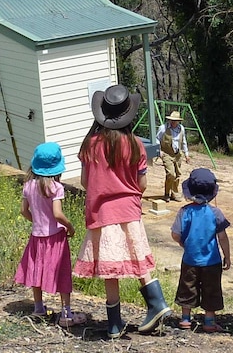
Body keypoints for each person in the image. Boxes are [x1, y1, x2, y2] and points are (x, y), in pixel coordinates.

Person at [73, 84, 172, 338]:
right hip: (130, 210)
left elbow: (85, 182)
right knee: (138, 260)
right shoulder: (136, 144)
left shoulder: (91, 144)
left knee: (110, 269)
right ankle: (157, 303)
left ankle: (115, 325)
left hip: (102, 213)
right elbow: (142, 185)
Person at [14, 142, 87, 328]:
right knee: (62, 274)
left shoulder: (28, 185)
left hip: (36, 237)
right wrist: (70, 227)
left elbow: (23, 211)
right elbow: (57, 214)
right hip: (55, 237)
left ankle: (38, 308)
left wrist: (37, 221)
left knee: (36, 270)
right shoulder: (56, 187)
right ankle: (66, 314)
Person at [171, 168, 231, 333]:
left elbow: (175, 234)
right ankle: (209, 321)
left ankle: (185, 319)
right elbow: (223, 237)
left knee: (187, 287)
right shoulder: (215, 213)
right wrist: (227, 256)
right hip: (212, 261)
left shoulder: (184, 212)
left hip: (189, 259)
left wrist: (184, 244)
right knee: (211, 289)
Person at [156, 110, 190, 201]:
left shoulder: (181, 128)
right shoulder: (163, 128)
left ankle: (174, 194)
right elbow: (157, 139)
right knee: (171, 174)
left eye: (175, 120)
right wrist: (159, 151)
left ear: (178, 121)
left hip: (178, 154)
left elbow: (184, 142)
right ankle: (166, 193)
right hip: (166, 153)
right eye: (172, 120)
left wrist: (186, 154)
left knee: (178, 174)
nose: (173, 122)